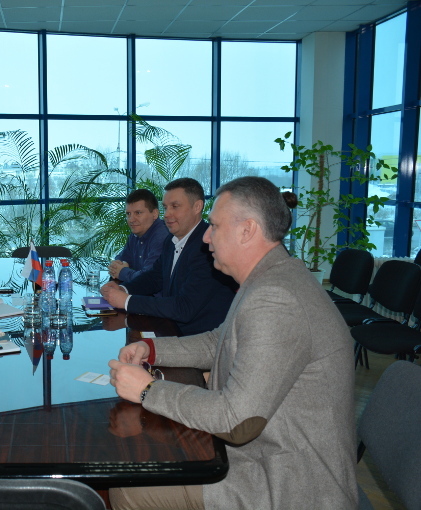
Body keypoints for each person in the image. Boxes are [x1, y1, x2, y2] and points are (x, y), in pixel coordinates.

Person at [107, 176, 357, 509]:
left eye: (214, 226)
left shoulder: (275, 297)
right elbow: (218, 342)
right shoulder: (270, 277)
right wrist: (153, 349)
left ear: (247, 230)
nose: (206, 236)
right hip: (266, 455)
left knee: (129, 489)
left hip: (289, 483)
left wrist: (148, 390)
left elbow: (235, 421)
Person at [101, 178, 236, 336]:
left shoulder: (209, 247)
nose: (167, 214)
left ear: (197, 207)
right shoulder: (171, 240)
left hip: (199, 340)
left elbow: (184, 307)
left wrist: (126, 300)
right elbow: (155, 277)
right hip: (169, 327)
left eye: (175, 207)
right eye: (166, 207)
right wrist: (123, 288)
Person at [108, 189, 169, 282]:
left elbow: (147, 279)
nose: (131, 220)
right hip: (139, 293)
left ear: (155, 214)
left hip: (156, 295)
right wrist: (116, 266)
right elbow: (122, 259)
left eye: (138, 213)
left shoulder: (162, 237)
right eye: (128, 214)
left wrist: (122, 272)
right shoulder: (136, 233)